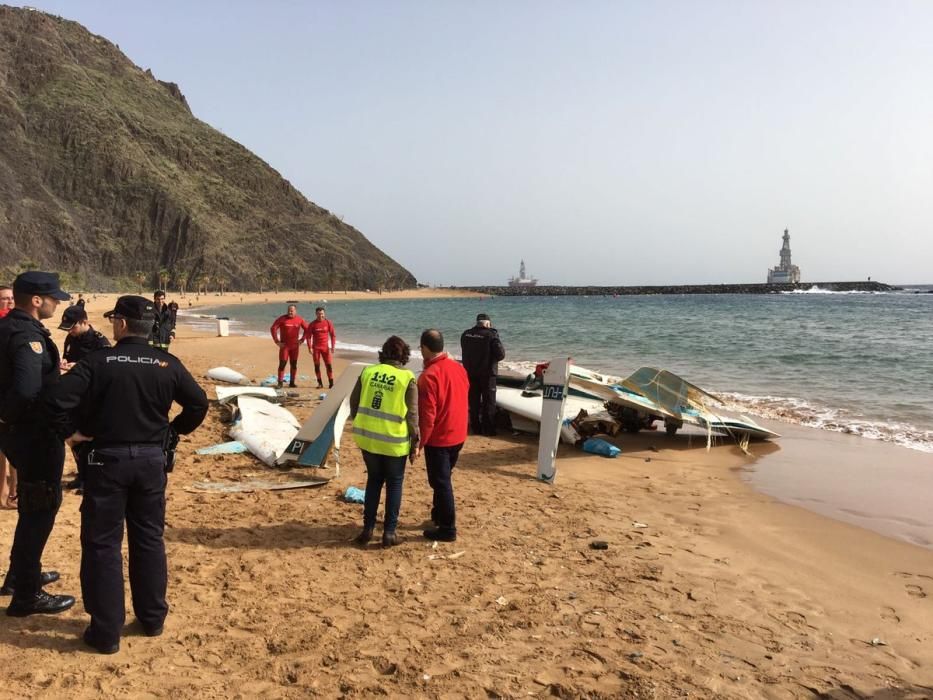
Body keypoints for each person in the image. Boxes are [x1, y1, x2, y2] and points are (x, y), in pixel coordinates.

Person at [45, 295, 208, 654]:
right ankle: (152, 619)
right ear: (151, 327)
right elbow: (198, 404)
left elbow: (56, 401)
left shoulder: (98, 362)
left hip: (107, 460)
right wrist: (173, 432)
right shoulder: (167, 364)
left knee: (103, 544)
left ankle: (106, 632)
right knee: (148, 539)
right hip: (150, 461)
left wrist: (71, 433)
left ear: (120, 324)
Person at [0, 271, 75, 616]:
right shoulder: (26, 335)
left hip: (19, 433)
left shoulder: (8, 328)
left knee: (33, 507)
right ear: (35, 300)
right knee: (40, 509)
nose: (57, 303)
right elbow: (28, 391)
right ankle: (27, 596)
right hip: (35, 437)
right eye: (53, 298)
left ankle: (20, 576)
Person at [349, 336, 419, 547]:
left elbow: (354, 403)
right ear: (404, 356)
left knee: (374, 480)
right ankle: (389, 532)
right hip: (394, 441)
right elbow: (413, 415)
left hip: (367, 438)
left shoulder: (368, 372)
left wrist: (361, 421)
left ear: (383, 353)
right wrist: (415, 443)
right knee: (394, 483)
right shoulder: (407, 378)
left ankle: (368, 529)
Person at [416, 329, 469, 542]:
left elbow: (428, 415)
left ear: (425, 348)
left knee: (441, 482)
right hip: (458, 433)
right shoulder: (458, 368)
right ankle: (438, 515)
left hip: (441, 437)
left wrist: (421, 442)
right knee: (443, 479)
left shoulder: (428, 377)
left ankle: (447, 528)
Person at [460, 313, 506, 436]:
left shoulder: (466, 334)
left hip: (470, 373)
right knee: (489, 402)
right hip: (487, 374)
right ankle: (489, 429)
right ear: (487, 323)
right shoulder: (491, 335)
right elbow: (501, 354)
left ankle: (475, 428)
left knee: (473, 401)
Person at [60, 305, 111, 370]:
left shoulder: (99, 342)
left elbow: (106, 368)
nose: (69, 331)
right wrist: (64, 361)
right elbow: (67, 357)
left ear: (84, 322)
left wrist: (80, 367)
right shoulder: (71, 337)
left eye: (73, 327)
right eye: (67, 328)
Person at [270, 304, 307, 388]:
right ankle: (280, 383)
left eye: (292, 310)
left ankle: (292, 382)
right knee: (282, 364)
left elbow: (307, 329)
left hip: (295, 347)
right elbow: (273, 328)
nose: (290, 312)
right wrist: (277, 341)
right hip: (285, 347)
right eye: (289, 310)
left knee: (293, 364)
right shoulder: (282, 319)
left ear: (295, 311)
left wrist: (302, 340)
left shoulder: (299, 319)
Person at [0, 286, 13, 508]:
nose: (8, 303)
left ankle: (14, 492)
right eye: (3, 299)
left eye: (11, 298)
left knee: (15, 449)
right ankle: (2, 492)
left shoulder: (19, 325)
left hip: (14, 393)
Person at [306, 306, 336, 389]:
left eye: (322, 314)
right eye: (319, 314)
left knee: (329, 365)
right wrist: (309, 347)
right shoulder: (312, 324)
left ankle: (331, 383)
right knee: (317, 366)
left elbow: (333, 335)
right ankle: (320, 383)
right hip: (316, 349)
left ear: (324, 314)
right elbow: (308, 336)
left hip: (325, 348)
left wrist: (333, 346)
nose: (320, 315)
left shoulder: (328, 323)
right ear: (316, 314)